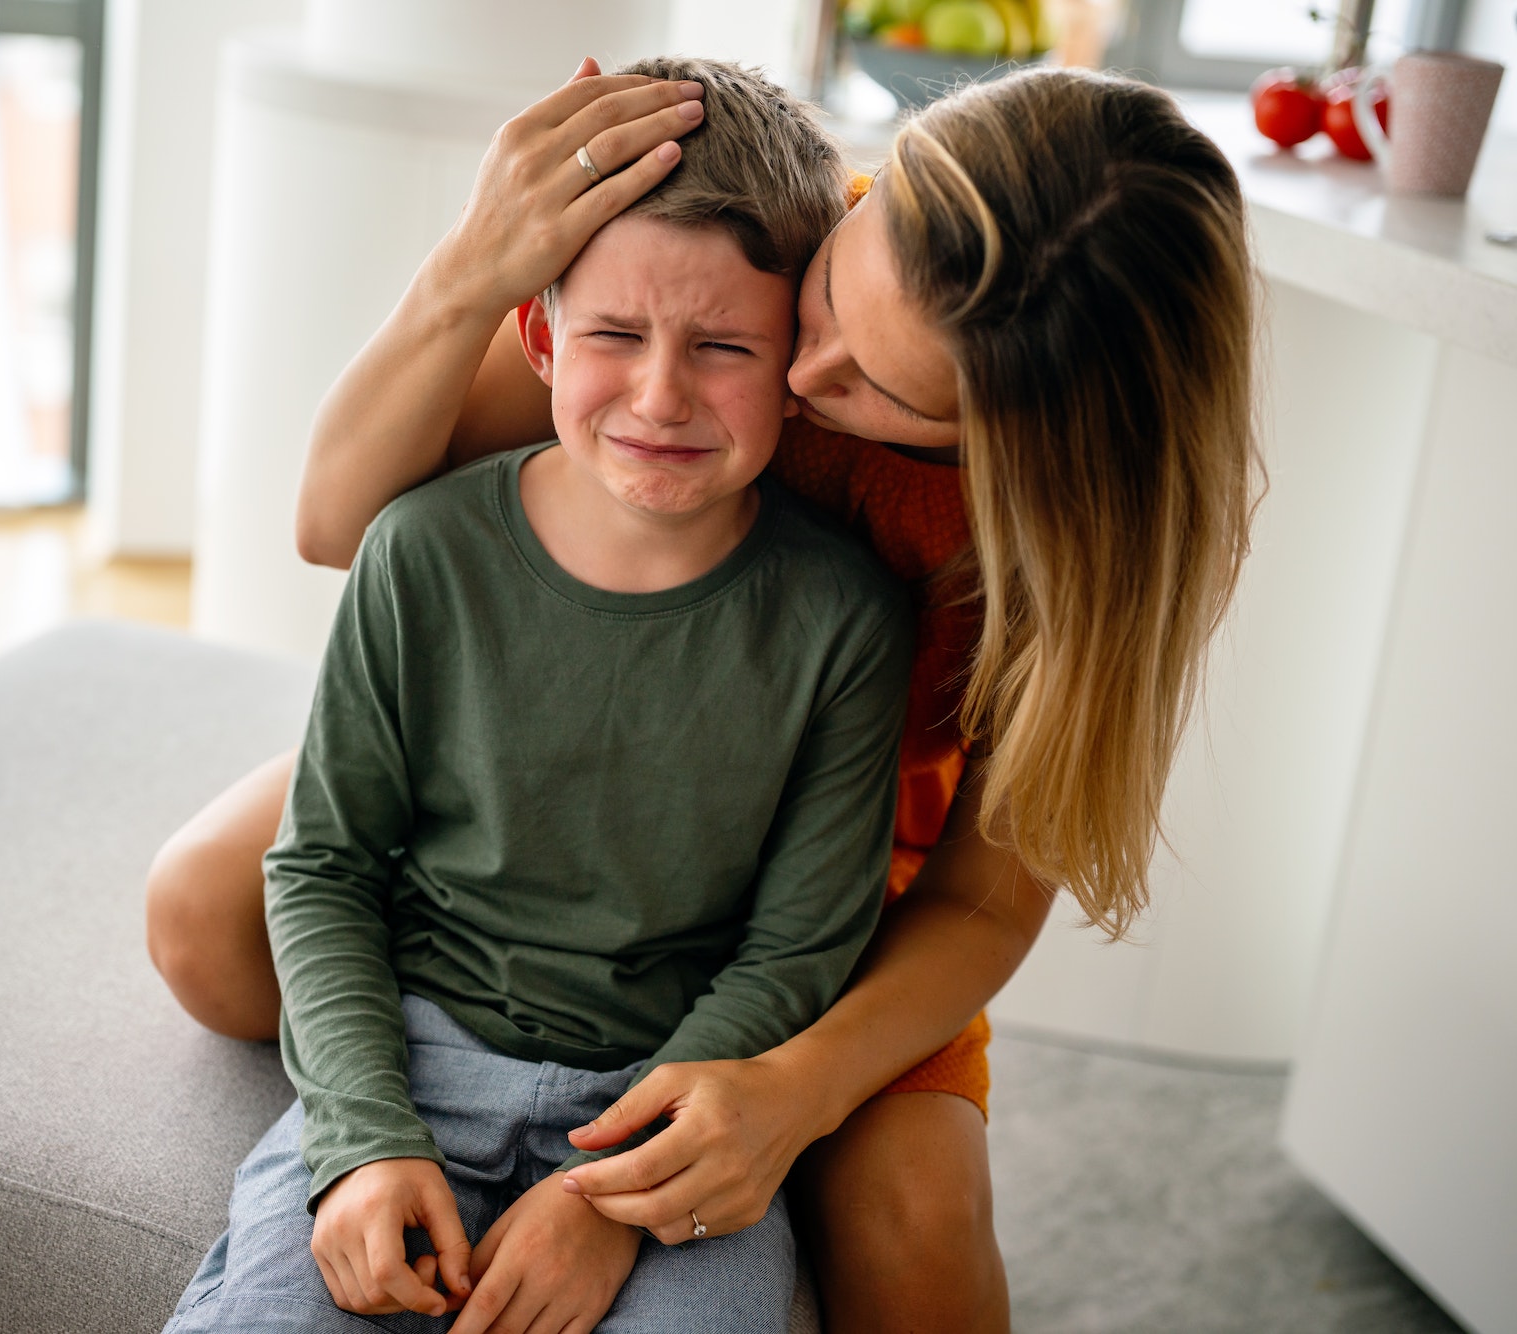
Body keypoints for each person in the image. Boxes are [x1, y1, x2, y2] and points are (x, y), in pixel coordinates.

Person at [149, 59, 1260, 1334]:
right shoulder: (732, 266)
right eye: (828, 299)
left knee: (916, 1247)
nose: (799, 373)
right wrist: (473, 266)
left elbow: (979, 898)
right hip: (538, 748)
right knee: (202, 918)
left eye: (881, 395)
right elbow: (346, 526)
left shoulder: (1077, 558)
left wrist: (786, 1089)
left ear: (1022, 451)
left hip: (833, 870)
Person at [165, 57, 914, 1334]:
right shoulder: (422, 550)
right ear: (540, 335)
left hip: (669, 1106)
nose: (661, 395)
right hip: (415, 1056)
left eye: (724, 346)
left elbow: (796, 947)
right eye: (615, 335)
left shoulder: (843, 618)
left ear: (798, 358)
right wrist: (358, 1140)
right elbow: (325, 864)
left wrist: (610, 1190)